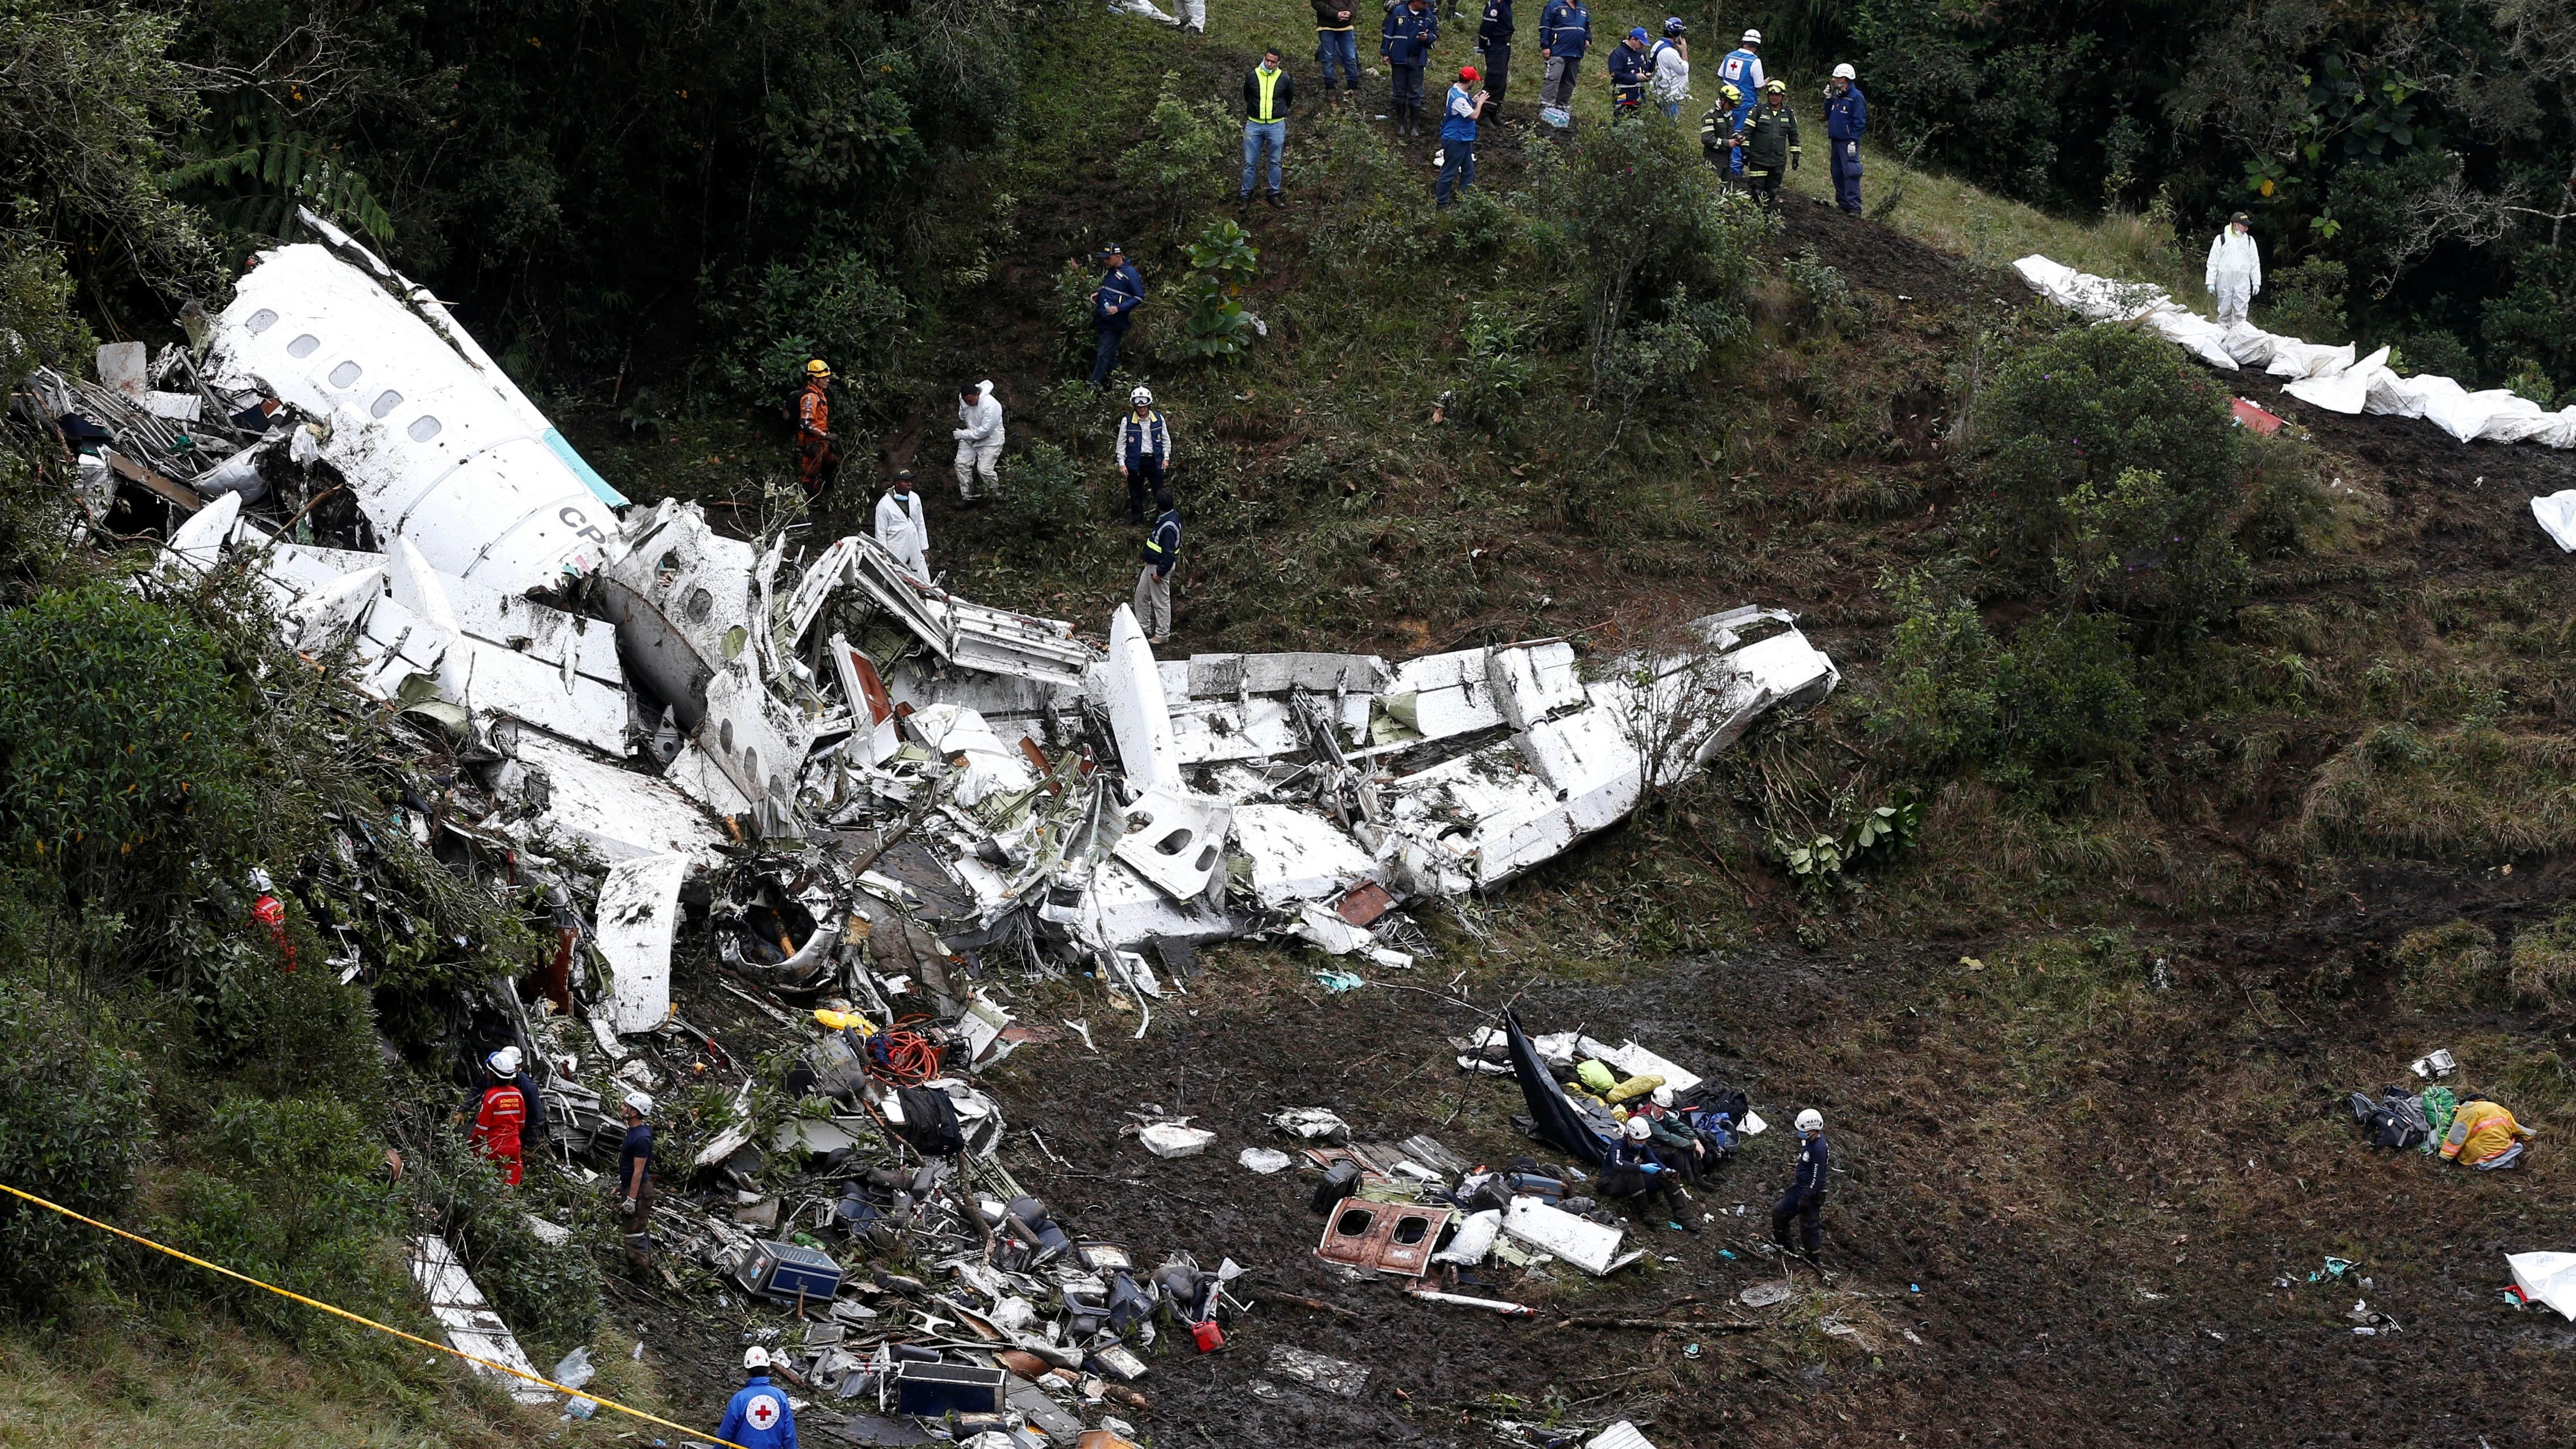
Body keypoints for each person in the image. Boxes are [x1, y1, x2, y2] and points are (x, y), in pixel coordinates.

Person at [459, 1046, 539, 1187]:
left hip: (493, 1146)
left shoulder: (496, 1095)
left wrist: (469, 1147)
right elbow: (521, 1123)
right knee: (509, 1186)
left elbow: (482, 1129)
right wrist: (462, 1109)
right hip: (513, 1144)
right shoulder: (517, 1093)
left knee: (481, 1179)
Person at [1601, 1116, 1699, 1230]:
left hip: (1631, 1183)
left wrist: (1667, 1170)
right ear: (1630, 1137)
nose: (1643, 1143)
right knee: (1634, 1173)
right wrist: (1641, 1167)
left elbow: (1654, 1161)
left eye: (1645, 1140)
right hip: (1610, 1183)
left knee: (1666, 1177)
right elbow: (1617, 1164)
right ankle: (1644, 1213)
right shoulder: (1617, 1146)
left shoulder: (1642, 1145)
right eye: (1640, 1140)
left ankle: (1683, 1218)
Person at [1237, 48, 1295, 207]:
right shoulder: (1252, 75)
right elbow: (1247, 96)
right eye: (1267, 60)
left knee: (1275, 161)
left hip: (1276, 125)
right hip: (1254, 124)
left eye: (1273, 62)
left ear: (1279, 63)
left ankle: (1273, 194)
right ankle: (1245, 195)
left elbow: (1288, 99)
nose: (1269, 64)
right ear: (1264, 58)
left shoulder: (1284, 78)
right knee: (1250, 162)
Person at [1771, 1107, 1828, 1263]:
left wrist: (1807, 1197)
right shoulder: (1811, 1142)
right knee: (1779, 1212)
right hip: (1800, 1187)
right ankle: (1786, 1249)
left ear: (1812, 1131)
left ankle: (1813, 1261)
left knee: (1809, 1227)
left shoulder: (1819, 1149)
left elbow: (1817, 1177)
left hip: (1811, 1192)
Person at [1089, 243, 1147, 392]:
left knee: (1103, 355)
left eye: (1108, 259)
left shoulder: (1130, 273)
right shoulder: (1112, 270)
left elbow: (1139, 297)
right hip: (1103, 319)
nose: (1106, 262)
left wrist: (1119, 308)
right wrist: (1099, 293)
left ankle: (1092, 387)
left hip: (1115, 322)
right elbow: (1112, 289)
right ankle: (1124, 383)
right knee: (1110, 355)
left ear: (1118, 256)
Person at [716, 1347, 799, 1449]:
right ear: (768, 1369)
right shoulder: (780, 1397)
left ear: (747, 1371)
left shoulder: (739, 1399)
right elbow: (789, 1436)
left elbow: (725, 1434)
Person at [1114, 386, 1174, 524]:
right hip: (1135, 461)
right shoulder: (1127, 421)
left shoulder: (1158, 419)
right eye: (1138, 405)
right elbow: (1121, 444)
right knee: (1136, 493)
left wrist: (1166, 457)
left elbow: (1166, 439)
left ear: (1149, 404)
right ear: (1134, 405)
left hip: (1155, 461)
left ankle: (1162, 519)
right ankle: (1138, 520)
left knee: (1160, 492)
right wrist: (1122, 463)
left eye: (1144, 404)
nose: (1142, 408)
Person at [1739, 79, 1799, 208]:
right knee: (1756, 191)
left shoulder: (1788, 114)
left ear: (1782, 96)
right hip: (1758, 159)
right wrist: (1745, 151)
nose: (1774, 97)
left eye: (1777, 95)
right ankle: (1754, 216)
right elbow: (1746, 132)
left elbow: (1794, 136)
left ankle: (1767, 216)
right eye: (1771, 94)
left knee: (1772, 191)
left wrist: (1796, 156)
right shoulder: (1758, 111)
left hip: (1778, 161)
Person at [1382, 0, 1439, 136]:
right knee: (1399, 92)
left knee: (1415, 93)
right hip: (1398, 57)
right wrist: (1385, 53)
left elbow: (1434, 34)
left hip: (1417, 59)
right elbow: (1388, 33)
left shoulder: (1428, 15)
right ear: (1416, 1)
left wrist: (1427, 38)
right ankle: (1401, 124)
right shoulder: (1398, 11)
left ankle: (1415, 126)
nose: (1427, 5)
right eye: (1425, 3)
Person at [614, 1090, 657, 1271]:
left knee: (635, 1237)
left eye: (626, 1105)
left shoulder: (642, 1138)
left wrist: (631, 1199)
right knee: (637, 1233)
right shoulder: (634, 1132)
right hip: (632, 1188)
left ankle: (641, 1283)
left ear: (634, 1112)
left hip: (638, 1192)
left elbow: (638, 1172)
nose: (622, 1107)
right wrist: (621, 1186)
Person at [1436, 65, 1490, 207]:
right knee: (1449, 172)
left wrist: (1473, 101)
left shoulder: (1455, 91)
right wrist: (1480, 104)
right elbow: (1474, 115)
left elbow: (1465, 107)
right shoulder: (1459, 99)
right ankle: (1442, 204)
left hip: (1464, 138)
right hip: (1456, 139)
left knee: (1468, 170)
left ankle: (1465, 201)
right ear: (1471, 82)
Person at [1134, 489, 1181, 643]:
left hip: (1159, 567)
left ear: (1158, 506)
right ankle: (1143, 628)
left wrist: (1160, 573)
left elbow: (1168, 553)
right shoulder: (1167, 517)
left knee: (1160, 602)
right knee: (1141, 596)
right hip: (1152, 566)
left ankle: (1162, 634)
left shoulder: (1169, 526)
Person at [2439, 1097, 2536, 1170]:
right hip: (2502, 1148)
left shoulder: (2469, 1108)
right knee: (2517, 1146)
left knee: (2475, 1153)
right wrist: (2530, 1136)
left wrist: (2445, 1156)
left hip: (2478, 1153)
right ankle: (2500, 1161)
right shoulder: (2500, 1109)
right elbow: (2516, 1127)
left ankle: (2484, 1164)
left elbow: (2459, 1133)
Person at [2206, 212, 2262, 326]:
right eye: (2244, 225)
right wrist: (2210, 282)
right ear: (2235, 225)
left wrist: (2256, 282)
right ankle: (2223, 335)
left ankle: (2239, 337)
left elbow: (2255, 263)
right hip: (2225, 279)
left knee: (2241, 314)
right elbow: (2213, 262)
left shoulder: (2249, 241)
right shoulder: (2222, 239)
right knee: (2224, 311)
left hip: (2242, 280)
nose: (2246, 228)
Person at [1825, 63, 1867, 214]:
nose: (1833, 80)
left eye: (1836, 77)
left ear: (1843, 79)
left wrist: (1853, 141)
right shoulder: (1838, 96)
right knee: (1837, 172)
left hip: (1847, 142)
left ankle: (1854, 208)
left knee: (1851, 172)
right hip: (1836, 140)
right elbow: (1830, 115)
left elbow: (1860, 121)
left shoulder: (1856, 97)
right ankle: (1842, 204)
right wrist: (1828, 99)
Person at [952, 380, 1002, 503]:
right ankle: (968, 497)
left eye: (971, 401)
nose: (968, 403)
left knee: (984, 469)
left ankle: (995, 496)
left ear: (978, 394)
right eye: (966, 401)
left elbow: (985, 430)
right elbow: (963, 414)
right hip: (971, 434)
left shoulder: (990, 405)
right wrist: (967, 431)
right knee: (961, 464)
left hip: (991, 439)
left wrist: (963, 434)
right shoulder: (964, 400)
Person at [873, 470, 930, 578]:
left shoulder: (915, 498)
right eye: (905, 481)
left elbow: (921, 525)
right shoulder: (884, 504)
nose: (910, 484)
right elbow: (881, 534)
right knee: (898, 581)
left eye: (910, 481)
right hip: (897, 549)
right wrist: (885, 557)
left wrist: (925, 549)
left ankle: (926, 594)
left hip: (915, 547)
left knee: (924, 581)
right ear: (897, 483)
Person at [1535, 0, 1589, 114]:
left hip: (1576, 53)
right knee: (1552, 80)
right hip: (1558, 51)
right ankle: (1546, 109)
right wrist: (1545, 46)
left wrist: (1588, 39)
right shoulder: (1554, 5)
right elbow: (1545, 26)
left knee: (1569, 82)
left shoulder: (1583, 8)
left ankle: (1562, 108)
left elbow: (1587, 27)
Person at [794, 359, 837, 498]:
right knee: (810, 475)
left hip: (822, 443)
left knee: (831, 464)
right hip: (813, 443)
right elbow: (805, 424)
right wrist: (825, 436)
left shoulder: (820, 395)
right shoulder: (810, 397)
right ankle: (809, 504)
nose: (827, 380)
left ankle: (828, 495)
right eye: (824, 378)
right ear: (814, 378)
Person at [1715, 27, 1762, 124]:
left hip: (1726, 102)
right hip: (1745, 104)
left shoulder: (1729, 56)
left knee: (1724, 129)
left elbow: (1720, 75)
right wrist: (1765, 83)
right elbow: (1759, 86)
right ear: (1757, 46)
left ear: (1743, 42)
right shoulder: (1755, 61)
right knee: (1740, 134)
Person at [1314, 0, 1361, 94]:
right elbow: (1316, 3)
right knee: (1328, 59)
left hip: (1346, 27)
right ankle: (1330, 88)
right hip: (1326, 27)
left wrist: (1350, 12)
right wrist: (1336, 14)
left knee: (1350, 58)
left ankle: (1353, 87)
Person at [1698, 82, 1743, 177]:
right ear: (1723, 100)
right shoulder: (1711, 116)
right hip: (1713, 162)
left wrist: (1737, 137)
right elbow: (1707, 139)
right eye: (1730, 104)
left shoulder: (1729, 116)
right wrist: (1727, 143)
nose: (1732, 108)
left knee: (1725, 190)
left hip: (1727, 161)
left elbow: (1729, 132)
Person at [1473, 0, 1512, 107]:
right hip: (1496, 46)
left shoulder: (1506, 4)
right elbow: (1486, 26)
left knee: (1502, 81)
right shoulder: (1496, 5)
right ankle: (1486, 110)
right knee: (1495, 79)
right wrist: (1483, 43)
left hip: (1504, 45)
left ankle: (1494, 110)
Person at [1604, 27, 1649, 118]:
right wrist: (1636, 78)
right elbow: (1616, 76)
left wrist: (1648, 73)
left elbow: (1645, 67)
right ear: (1633, 40)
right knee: (1621, 123)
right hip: (1623, 97)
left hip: (1639, 97)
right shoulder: (1618, 54)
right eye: (1641, 43)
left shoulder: (1642, 53)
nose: (1642, 47)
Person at [1648, 18, 1688, 118]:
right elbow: (1684, 70)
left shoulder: (1658, 44)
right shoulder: (1670, 52)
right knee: (1670, 124)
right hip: (1668, 95)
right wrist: (1684, 51)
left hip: (1660, 91)